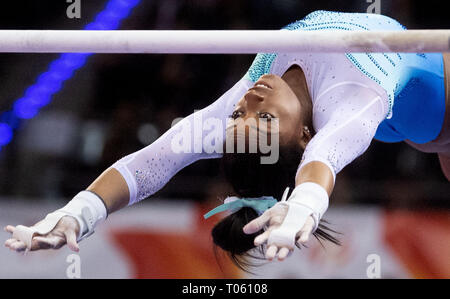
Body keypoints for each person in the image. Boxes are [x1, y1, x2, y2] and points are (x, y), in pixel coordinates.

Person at [4, 11, 450, 270]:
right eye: (266, 118)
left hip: (411, 108)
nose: (250, 102)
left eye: (240, 116)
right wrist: (305, 206)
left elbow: (153, 161)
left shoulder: (254, 91)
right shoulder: (351, 100)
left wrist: (76, 213)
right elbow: (324, 160)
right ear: (305, 134)